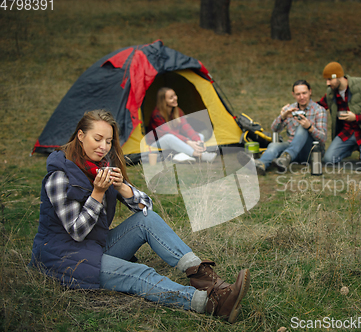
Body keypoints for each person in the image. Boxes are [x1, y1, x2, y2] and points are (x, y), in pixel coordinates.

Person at [29, 109, 250, 323]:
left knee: (147, 219)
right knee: (139, 272)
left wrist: (123, 189)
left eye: (108, 141)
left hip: (95, 245)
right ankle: (211, 304)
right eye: (97, 139)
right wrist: (97, 194)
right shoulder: (58, 176)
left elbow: (147, 207)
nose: (103, 147)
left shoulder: (101, 166)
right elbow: (77, 232)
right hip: (63, 257)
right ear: (80, 135)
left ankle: (206, 278)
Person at [240, 80, 327, 175]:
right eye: (298, 94)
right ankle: (261, 164)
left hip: (310, 152)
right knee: (274, 145)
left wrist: (309, 127)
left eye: (304, 93)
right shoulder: (290, 109)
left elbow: (323, 138)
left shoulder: (319, 110)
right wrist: (282, 117)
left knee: (302, 128)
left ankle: (286, 157)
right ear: (293, 94)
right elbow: (274, 129)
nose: (301, 97)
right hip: (290, 149)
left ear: (310, 92)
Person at [317, 62, 361, 169]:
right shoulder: (331, 92)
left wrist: (356, 118)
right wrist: (299, 107)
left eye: (329, 79)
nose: (327, 83)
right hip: (347, 132)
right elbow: (320, 106)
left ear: (338, 77)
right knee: (328, 160)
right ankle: (352, 148)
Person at [148, 87, 216, 163]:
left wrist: (198, 140)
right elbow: (168, 133)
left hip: (176, 139)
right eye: (171, 98)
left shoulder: (177, 111)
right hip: (155, 144)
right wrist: (188, 142)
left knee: (200, 136)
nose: (175, 98)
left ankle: (188, 154)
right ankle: (198, 155)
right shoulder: (157, 115)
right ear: (164, 101)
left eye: (174, 95)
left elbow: (186, 128)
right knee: (169, 138)